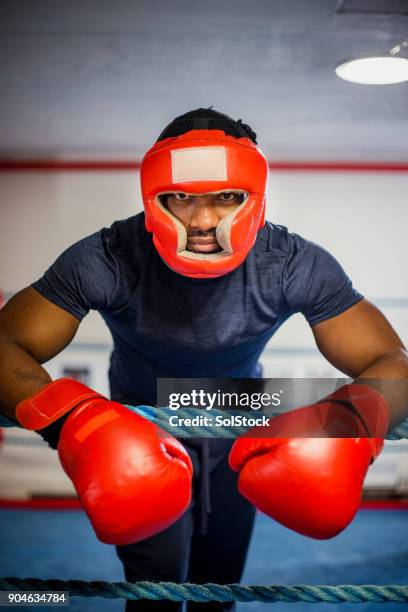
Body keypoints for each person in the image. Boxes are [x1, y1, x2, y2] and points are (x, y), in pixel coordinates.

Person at [0, 108, 407, 612]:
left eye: (227, 198)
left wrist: (346, 425)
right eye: (181, 198)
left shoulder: (293, 263)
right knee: (155, 589)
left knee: (219, 585)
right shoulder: (107, 256)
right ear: (154, 197)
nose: (203, 220)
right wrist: (70, 421)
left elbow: (390, 359)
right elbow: (6, 342)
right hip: (139, 420)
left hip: (241, 415)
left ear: (255, 199)